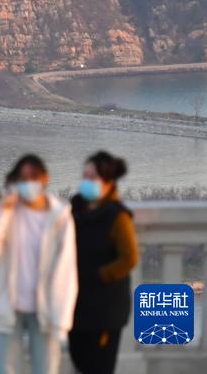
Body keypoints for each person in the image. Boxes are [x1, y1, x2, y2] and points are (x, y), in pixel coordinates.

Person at [0, 154, 77, 374]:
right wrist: (2, 213)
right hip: (6, 306)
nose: (28, 183)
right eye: (23, 178)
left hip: (45, 309)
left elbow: (66, 271)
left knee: (46, 369)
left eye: (33, 177)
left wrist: (62, 320)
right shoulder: (4, 212)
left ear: (45, 178)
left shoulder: (59, 217)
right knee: (5, 369)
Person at [68, 151, 138, 374]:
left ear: (108, 181)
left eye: (93, 177)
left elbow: (129, 257)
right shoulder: (76, 209)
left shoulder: (117, 216)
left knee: (99, 366)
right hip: (78, 304)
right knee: (79, 359)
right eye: (85, 176)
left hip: (106, 309)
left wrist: (100, 275)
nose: (86, 182)